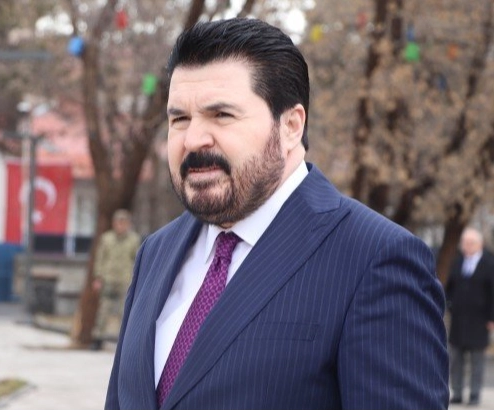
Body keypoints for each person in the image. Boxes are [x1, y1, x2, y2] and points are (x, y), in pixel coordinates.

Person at [105, 18, 449, 410]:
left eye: (222, 115)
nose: (193, 139)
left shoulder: (376, 259)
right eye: (179, 119)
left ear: (290, 126)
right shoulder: (155, 252)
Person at [445, 227, 494, 405]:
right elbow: (449, 286)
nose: (467, 246)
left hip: (480, 319)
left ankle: (474, 394)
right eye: (464, 242)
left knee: (477, 359)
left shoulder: (489, 263)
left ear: (479, 244)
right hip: (459, 319)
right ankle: (457, 392)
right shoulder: (458, 261)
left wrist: (491, 318)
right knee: (456, 358)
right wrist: (449, 305)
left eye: (471, 243)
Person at [91, 209, 140, 350]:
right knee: (103, 311)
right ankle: (97, 339)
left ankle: (124, 341)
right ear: (114, 223)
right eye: (119, 222)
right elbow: (100, 259)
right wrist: (98, 277)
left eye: (124, 223)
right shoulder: (106, 239)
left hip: (125, 280)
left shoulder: (133, 240)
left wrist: (136, 279)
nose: (121, 225)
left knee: (124, 312)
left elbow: (137, 260)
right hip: (108, 279)